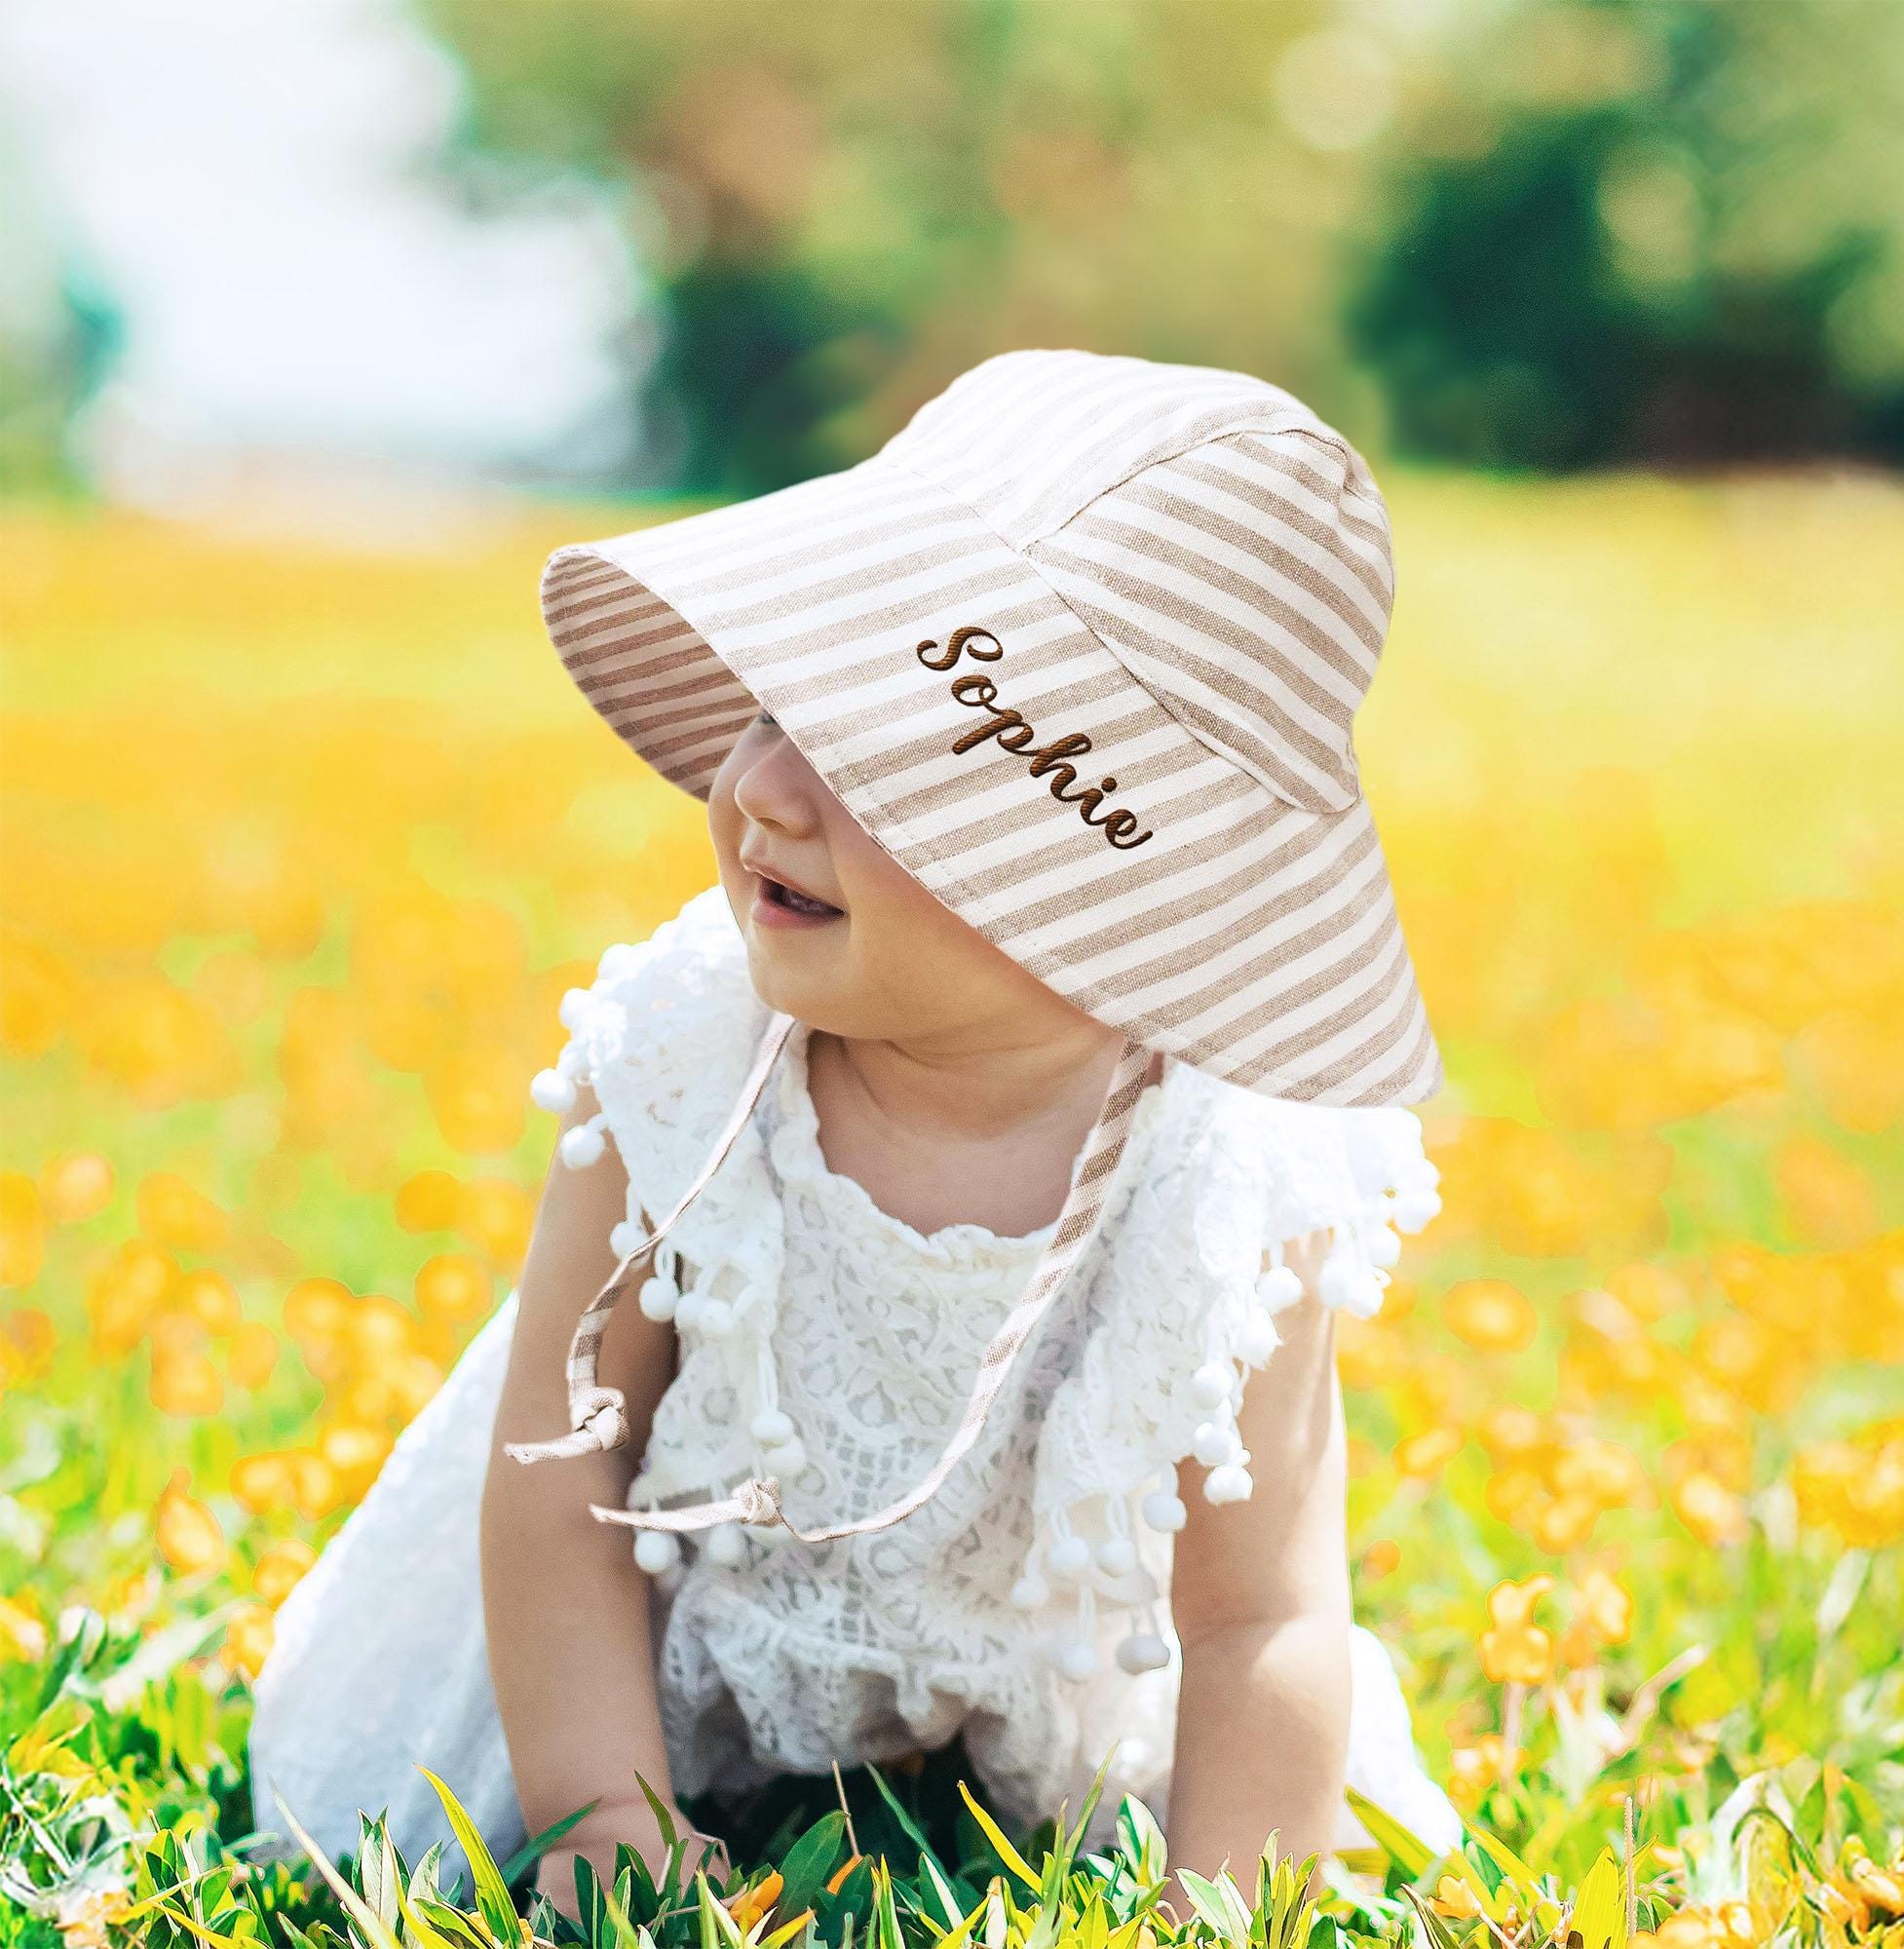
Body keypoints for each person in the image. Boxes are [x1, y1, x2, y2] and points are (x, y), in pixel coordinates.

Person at [247, 347, 1465, 1910]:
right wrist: (600, 1818)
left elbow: (1259, 1618)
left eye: (873, 756)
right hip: (659, 1648)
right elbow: (559, 1484)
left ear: (1113, 889)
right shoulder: (687, 1061)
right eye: (771, 702)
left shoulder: (1223, 1171)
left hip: (1053, 1679)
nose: (758, 783)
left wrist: (1215, 1909)